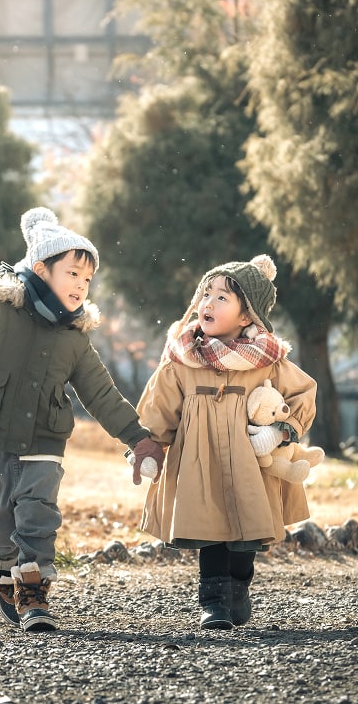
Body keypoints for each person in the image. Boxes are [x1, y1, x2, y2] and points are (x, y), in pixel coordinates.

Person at [0, 207, 164, 632]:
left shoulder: (74, 337)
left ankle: (34, 595)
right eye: (72, 273)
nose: (80, 285)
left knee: (38, 519)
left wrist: (138, 438)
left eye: (87, 279)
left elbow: (100, 393)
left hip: (45, 443)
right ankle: (1, 561)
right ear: (41, 269)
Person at [135, 254, 317, 630]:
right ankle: (213, 601)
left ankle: (238, 585)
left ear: (247, 315)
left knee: (247, 535)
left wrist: (280, 430)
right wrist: (148, 444)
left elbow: (302, 393)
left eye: (222, 298)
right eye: (206, 294)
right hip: (200, 463)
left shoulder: (267, 361)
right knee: (210, 531)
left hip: (250, 463)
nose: (209, 303)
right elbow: (160, 406)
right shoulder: (183, 360)